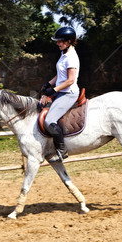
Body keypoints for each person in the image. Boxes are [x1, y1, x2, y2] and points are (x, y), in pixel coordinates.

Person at [41, 26, 80, 162]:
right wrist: (49, 84)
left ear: (69, 41)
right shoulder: (64, 54)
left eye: (60, 41)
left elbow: (70, 80)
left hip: (68, 93)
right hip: (61, 91)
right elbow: (60, 75)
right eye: (57, 41)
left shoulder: (71, 57)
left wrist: (54, 90)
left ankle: (61, 151)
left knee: (48, 121)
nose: (58, 44)